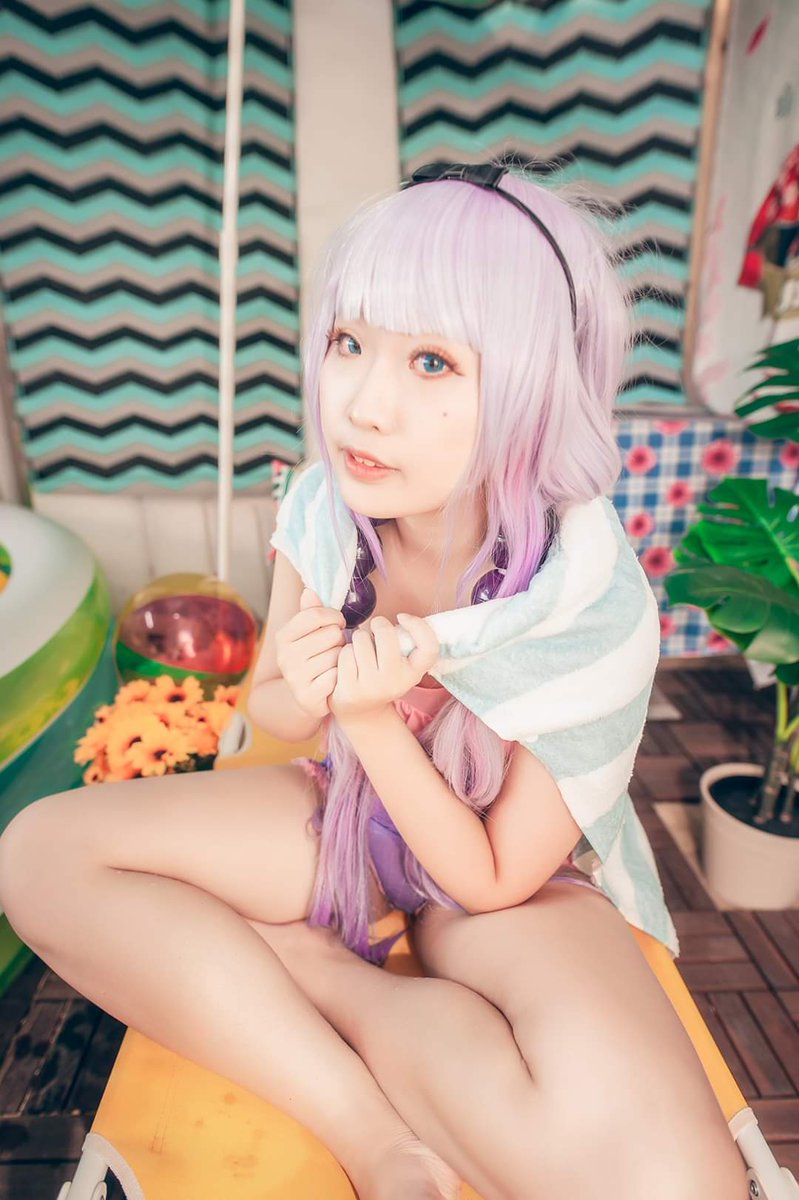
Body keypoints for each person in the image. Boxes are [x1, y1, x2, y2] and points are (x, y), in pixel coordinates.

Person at [0, 161, 747, 1200]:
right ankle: (372, 1136)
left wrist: (370, 717)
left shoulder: (585, 603)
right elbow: (272, 701)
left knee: (675, 1185)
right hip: (343, 817)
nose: (362, 404)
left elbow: (493, 878)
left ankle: (324, 978)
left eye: (432, 361)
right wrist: (309, 692)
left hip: (504, 875)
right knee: (37, 852)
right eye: (348, 344)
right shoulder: (325, 510)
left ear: (532, 388)